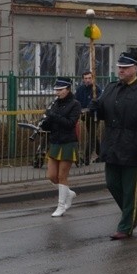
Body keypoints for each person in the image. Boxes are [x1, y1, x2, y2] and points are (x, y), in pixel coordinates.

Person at [93, 53, 137, 240]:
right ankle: (135, 210)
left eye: (125, 67)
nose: (121, 70)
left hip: (134, 146)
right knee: (112, 183)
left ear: (135, 69)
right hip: (113, 144)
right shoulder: (110, 88)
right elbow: (103, 112)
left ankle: (125, 226)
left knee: (130, 188)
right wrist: (95, 108)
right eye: (119, 67)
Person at [45, 77, 82, 217]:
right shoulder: (54, 103)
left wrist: (53, 116)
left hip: (68, 142)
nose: (57, 92)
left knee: (62, 176)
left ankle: (61, 206)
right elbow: (52, 123)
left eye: (60, 90)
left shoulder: (75, 104)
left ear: (68, 89)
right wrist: (45, 122)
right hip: (55, 141)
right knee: (51, 175)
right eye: (56, 90)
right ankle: (69, 193)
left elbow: (70, 123)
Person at [74, 71, 102, 164]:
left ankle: (86, 158)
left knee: (91, 136)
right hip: (83, 115)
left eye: (89, 78)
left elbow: (98, 101)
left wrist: (91, 107)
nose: (88, 80)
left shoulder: (96, 89)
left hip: (94, 116)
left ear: (93, 79)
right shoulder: (80, 89)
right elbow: (76, 101)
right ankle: (101, 154)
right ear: (83, 79)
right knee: (92, 134)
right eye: (86, 78)